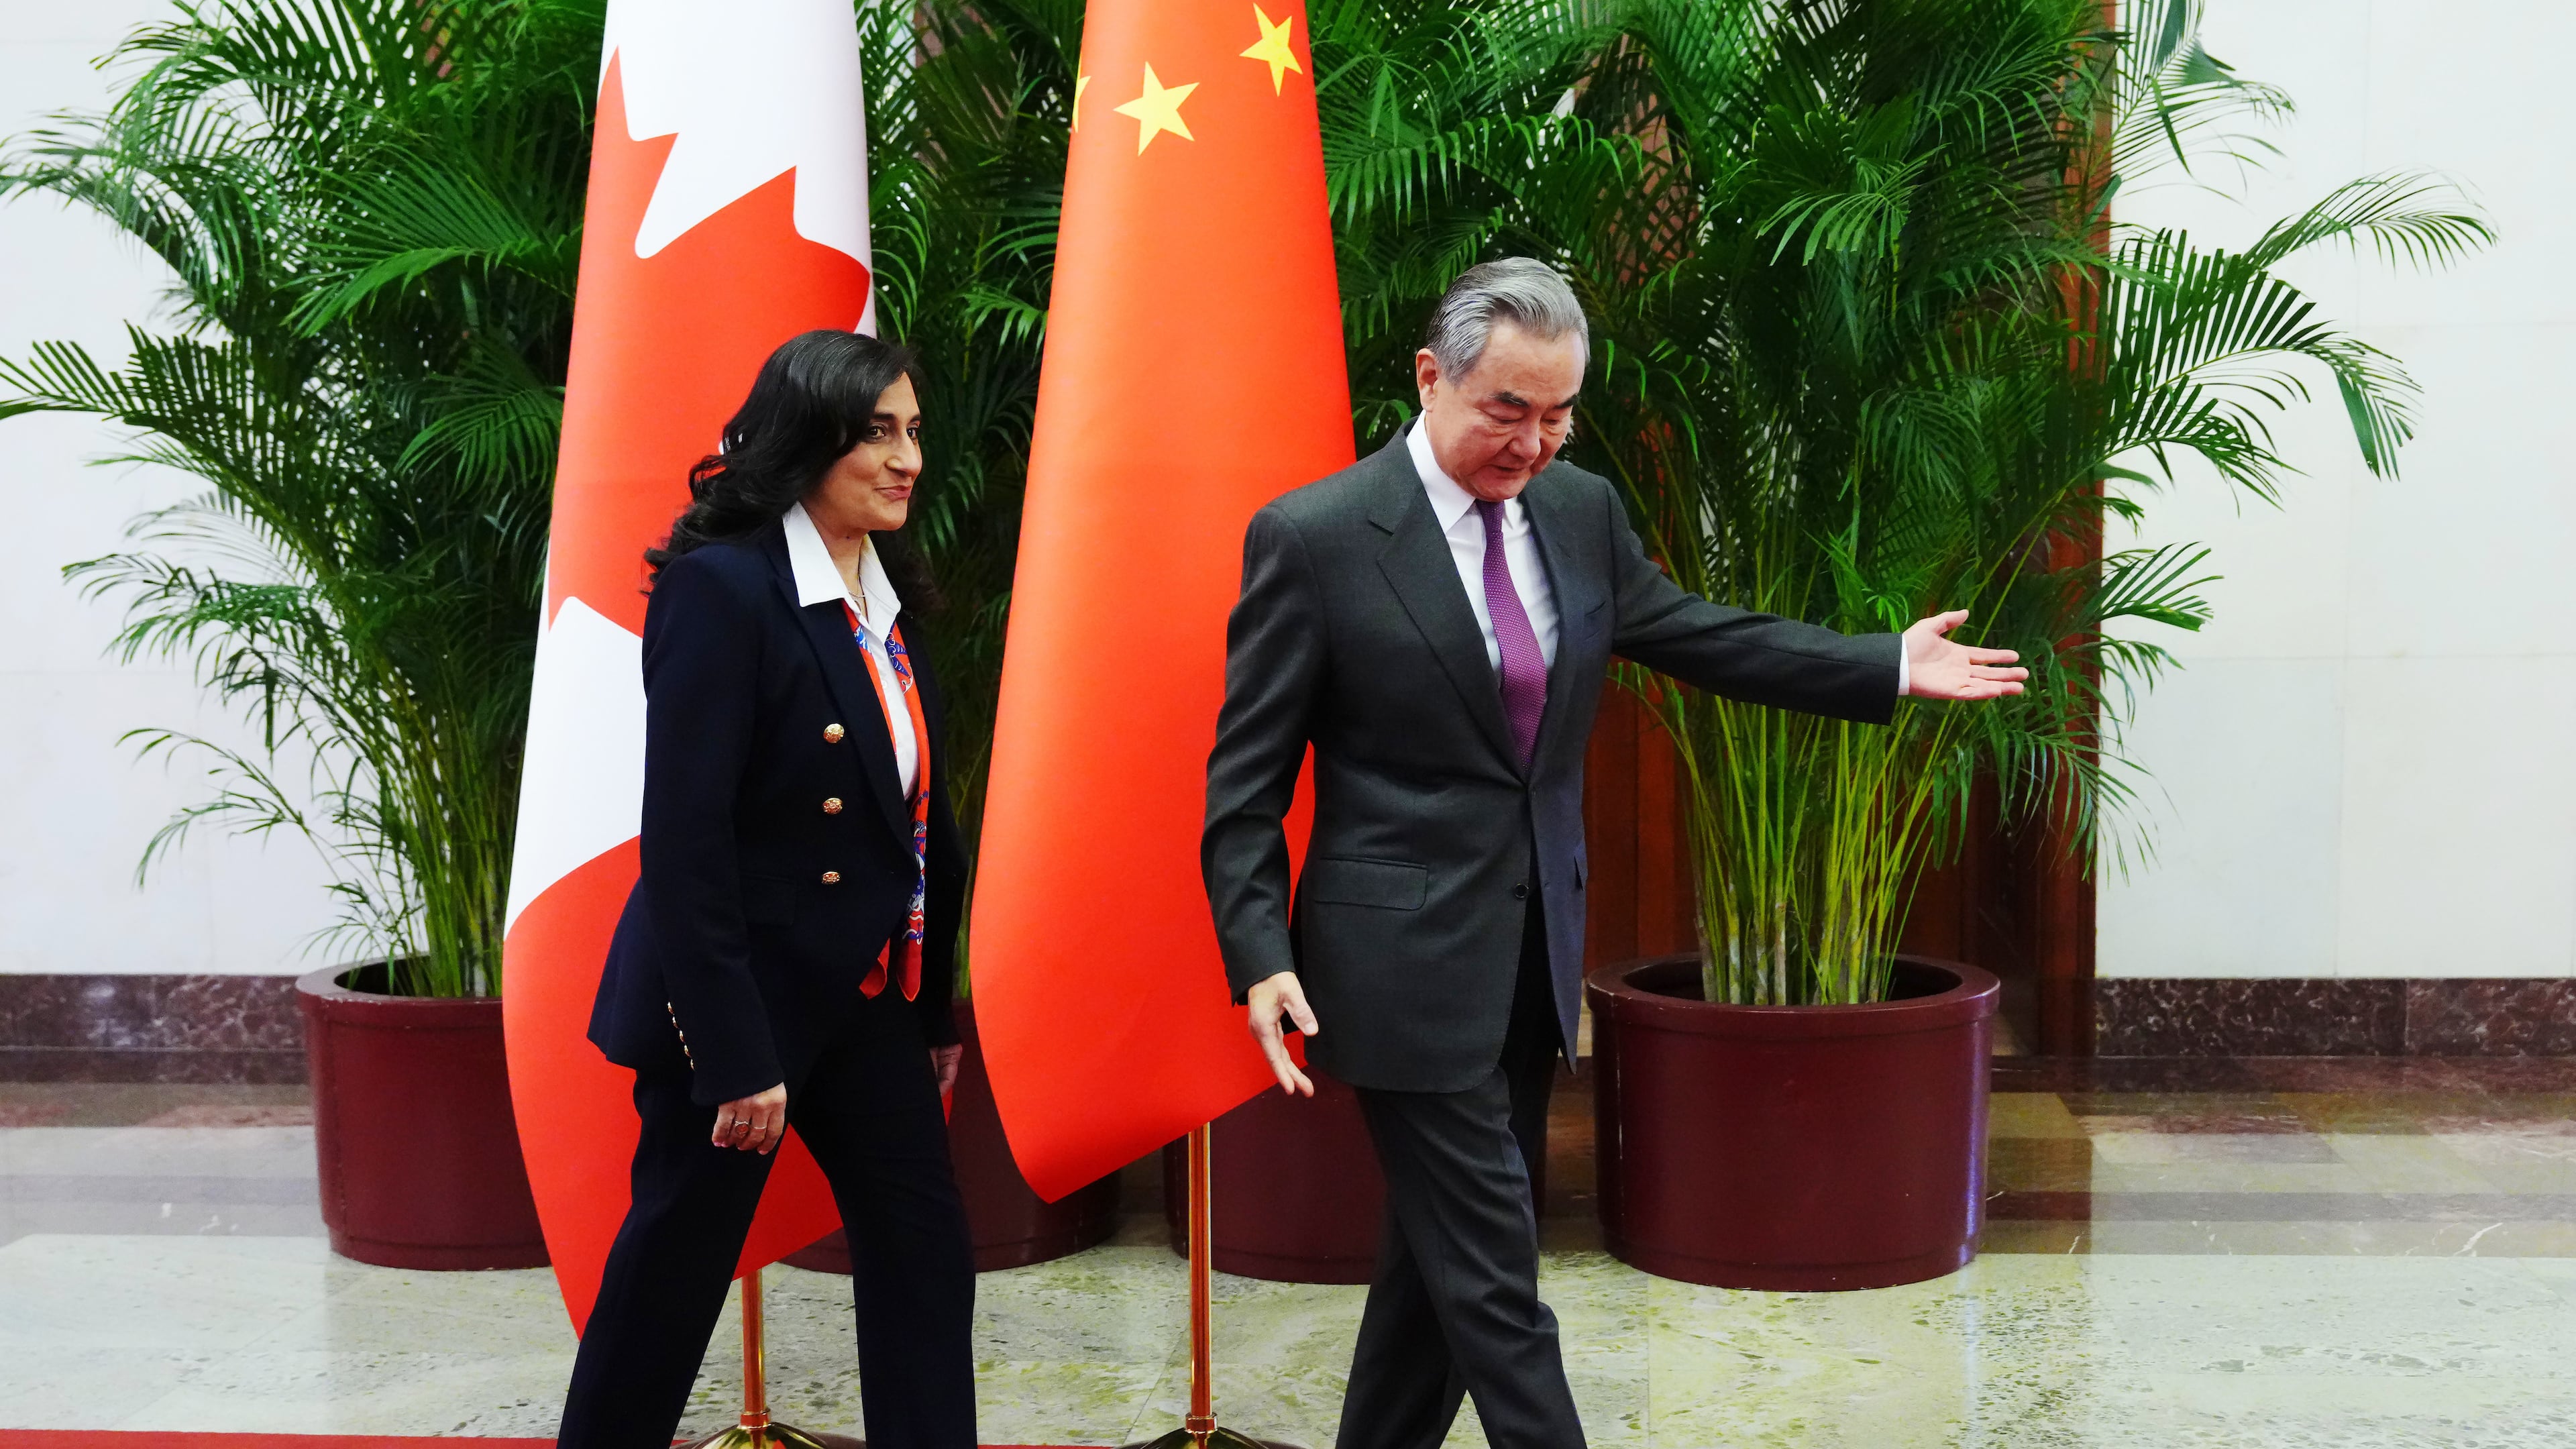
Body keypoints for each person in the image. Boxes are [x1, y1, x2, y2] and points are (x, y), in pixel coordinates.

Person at [1201, 259, 2026, 1449]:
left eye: (1558, 415)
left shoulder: (1578, 512)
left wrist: (1881, 664)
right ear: (1432, 378)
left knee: (1435, 1276)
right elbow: (1245, 781)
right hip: (1395, 967)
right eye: (1506, 411)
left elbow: (1696, 633)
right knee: (1494, 1280)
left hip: (1530, 957)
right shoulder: (1319, 537)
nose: (1534, 443)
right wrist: (1258, 950)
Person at [557, 329, 976, 1449]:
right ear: (810, 441)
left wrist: (929, 1006)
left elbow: (916, 825)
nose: (906, 460)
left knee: (927, 1257)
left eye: (913, 433)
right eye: (878, 433)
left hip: (869, 1004)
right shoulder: (722, 591)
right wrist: (738, 1056)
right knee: (671, 1278)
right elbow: (688, 847)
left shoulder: (885, 596)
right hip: (740, 1010)